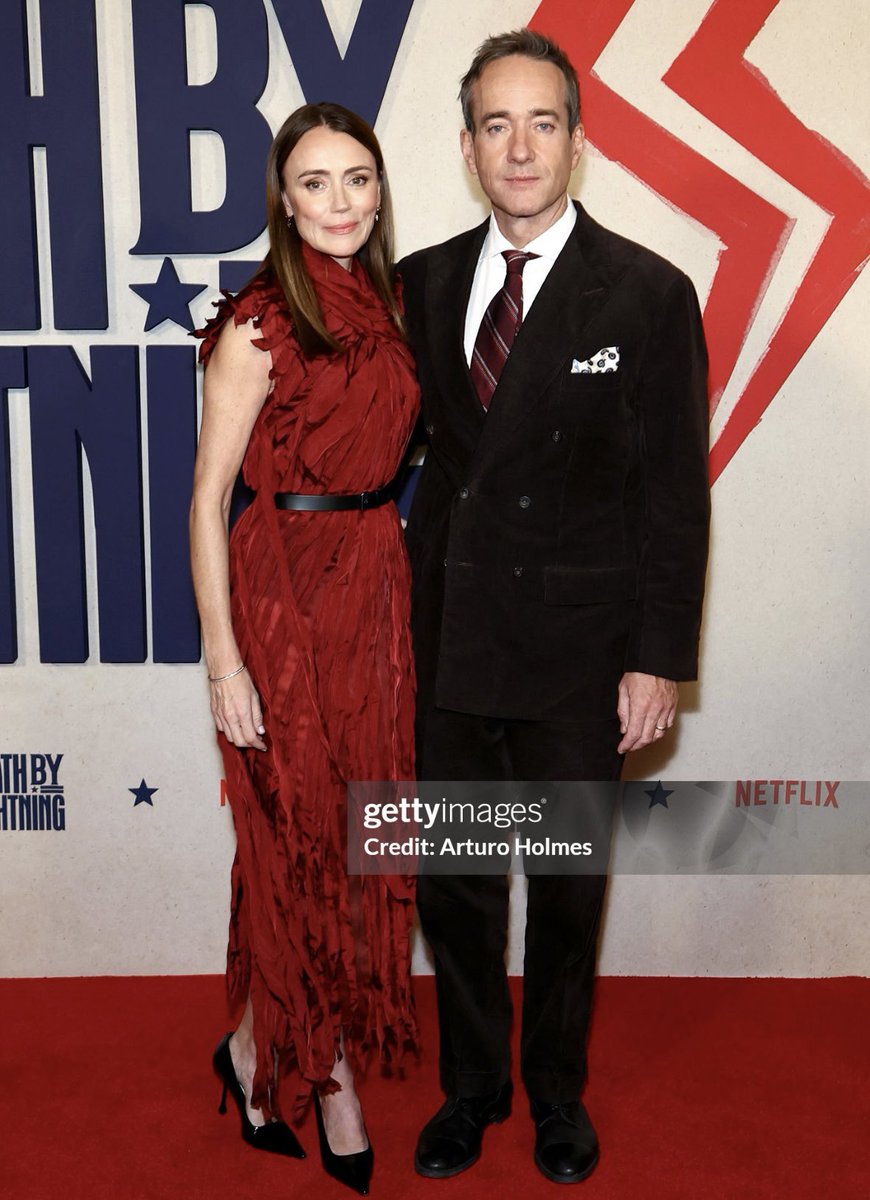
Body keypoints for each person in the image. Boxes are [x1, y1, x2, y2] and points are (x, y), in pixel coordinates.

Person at [398, 29, 710, 1185]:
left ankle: (558, 1096)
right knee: (460, 882)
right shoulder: (420, 281)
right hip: (450, 642)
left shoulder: (648, 291)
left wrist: (658, 658)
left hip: (582, 655)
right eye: (495, 124)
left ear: (579, 141)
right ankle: (471, 1089)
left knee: (569, 890)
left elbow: (678, 497)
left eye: (542, 122)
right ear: (469, 146)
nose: (519, 147)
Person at [189, 101, 420, 1196]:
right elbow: (204, 500)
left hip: (372, 581)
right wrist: (224, 660)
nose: (340, 202)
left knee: (349, 831)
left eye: (358, 180)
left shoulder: (391, 301)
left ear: (379, 191)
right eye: (317, 182)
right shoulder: (255, 321)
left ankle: (245, 1050)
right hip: (282, 587)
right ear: (284, 198)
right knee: (299, 845)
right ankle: (327, 1079)